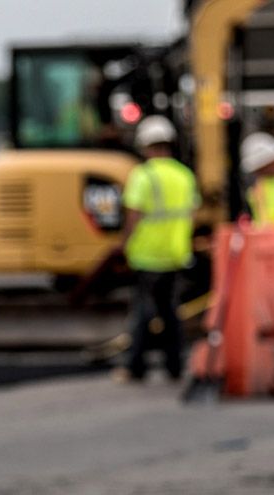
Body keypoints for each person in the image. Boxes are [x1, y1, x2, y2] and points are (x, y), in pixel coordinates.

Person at [113, 115, 198, 383]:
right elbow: (192, 215)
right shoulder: (184, 175)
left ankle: (135, 366)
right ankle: (174, 366)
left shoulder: (143, 175)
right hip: (176, 254)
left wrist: (124, 244)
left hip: (147, 255)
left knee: (142, 313)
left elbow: (134, 215)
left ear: (145, 145)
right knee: (171, 313)